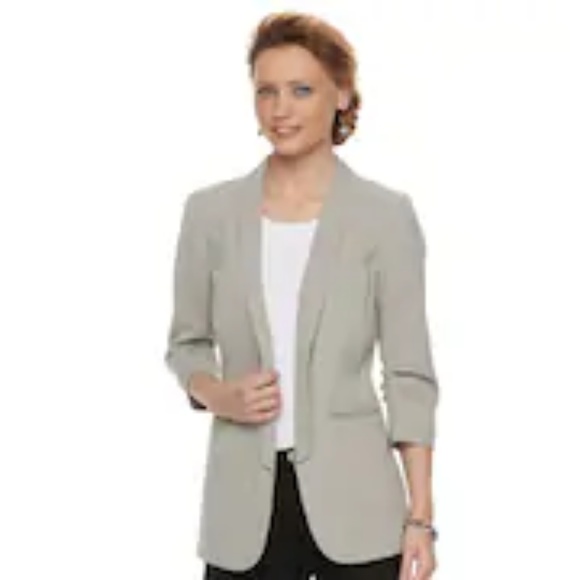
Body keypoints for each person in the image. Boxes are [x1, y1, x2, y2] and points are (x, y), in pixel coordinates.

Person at [164, 11, 439, 580]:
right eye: (266, 91)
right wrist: (219, 394)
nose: (280, 109)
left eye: (301, 90)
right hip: (242, 511)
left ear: (342, 95)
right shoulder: (209, 215)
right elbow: (186, 345)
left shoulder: (384, 217)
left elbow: (408, 374)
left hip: (359, 507)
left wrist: (420, 517)